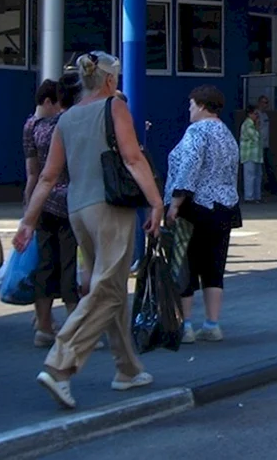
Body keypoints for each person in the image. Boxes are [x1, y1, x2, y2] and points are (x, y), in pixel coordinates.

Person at [14, 52, 164, 411]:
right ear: (110, 80)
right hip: (110, 208)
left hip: (77, 210)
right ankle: (61, 363)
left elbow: (48, 176)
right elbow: (132, 157)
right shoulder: (114, 106)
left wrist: (29, 220)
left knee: (108, 286)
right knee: (108, 291)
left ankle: (127, 368)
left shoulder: (67, 117)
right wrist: (156, 202)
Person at [166, 85, 240, 343]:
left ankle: (185, 325)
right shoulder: (227, 134)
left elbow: (189, 166)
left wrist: (175, 203)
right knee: (214, 267)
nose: (188, 109)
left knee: (185, 265)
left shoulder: (196, 131)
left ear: (200, 105)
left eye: (190, 104)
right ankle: (212, 323)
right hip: (225, 207)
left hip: (195, 207)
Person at [23, 74, 83, 347]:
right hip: (69, 200)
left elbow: (33, 172)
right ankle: (74, 328)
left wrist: (29, 208)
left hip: (42, 202)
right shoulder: (65, 124)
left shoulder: (30, 126)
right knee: (69, 264)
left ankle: (43, 327)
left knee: (45, 265)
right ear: (50, 101)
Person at [239, 104, 263, 203]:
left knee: (258, 176)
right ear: (250, 114)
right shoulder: (247, 124)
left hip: (256, 155)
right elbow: (256, 136)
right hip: (249, 155)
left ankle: (257, 197)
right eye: (255, 114)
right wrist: (257, 126)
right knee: (250, 176)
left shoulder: (252, 124)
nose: (257, 116)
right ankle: (249, 197)